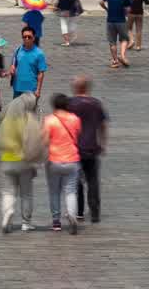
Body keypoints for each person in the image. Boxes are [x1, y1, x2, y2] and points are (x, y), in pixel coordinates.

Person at [0, 92, 43, 233]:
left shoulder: (8, 120)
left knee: (8, 192)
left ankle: (7, 213)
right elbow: (35, 142)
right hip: (24, 161)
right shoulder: (29, 120)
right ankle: (26, 222)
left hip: (7, 159)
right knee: (26, 194)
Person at [67, 75, 107, 224]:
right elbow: (103, 125)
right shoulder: (96, 103)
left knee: (76, 181)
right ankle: (95, 213)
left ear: (76, 87)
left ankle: (79, 212)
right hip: (92, 147)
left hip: (75, 148)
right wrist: (103, 142)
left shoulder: (70, 104)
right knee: (93, 181)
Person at [42, 93, 82, 234]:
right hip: (72, 159)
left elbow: (45, 141)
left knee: (54, 192)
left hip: (54, 160)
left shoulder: (49, 120)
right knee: (71, 191)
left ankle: (56, 222)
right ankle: (72, 215)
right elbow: (77, 136)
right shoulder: (75, 119)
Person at [99, 0, 133, 68]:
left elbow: (101, 2)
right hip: (121, 21)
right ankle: (122, 56)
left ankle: (115, 61)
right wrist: (125, 13)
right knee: (124, 39)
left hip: (110, 21)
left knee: (112, 42)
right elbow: (128, 9)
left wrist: (106, 9)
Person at [10, 26, 47, 99]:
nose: (26, 39)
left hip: (31, 90)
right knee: (17, 110)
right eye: (24, 37)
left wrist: (38, 90)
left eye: (29, 37)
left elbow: (41, 73)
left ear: (33, 38)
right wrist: (12, 68)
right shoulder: (18, 50)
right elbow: (13, 64)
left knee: (29, 110)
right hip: (17, 88)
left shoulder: (39, 54)